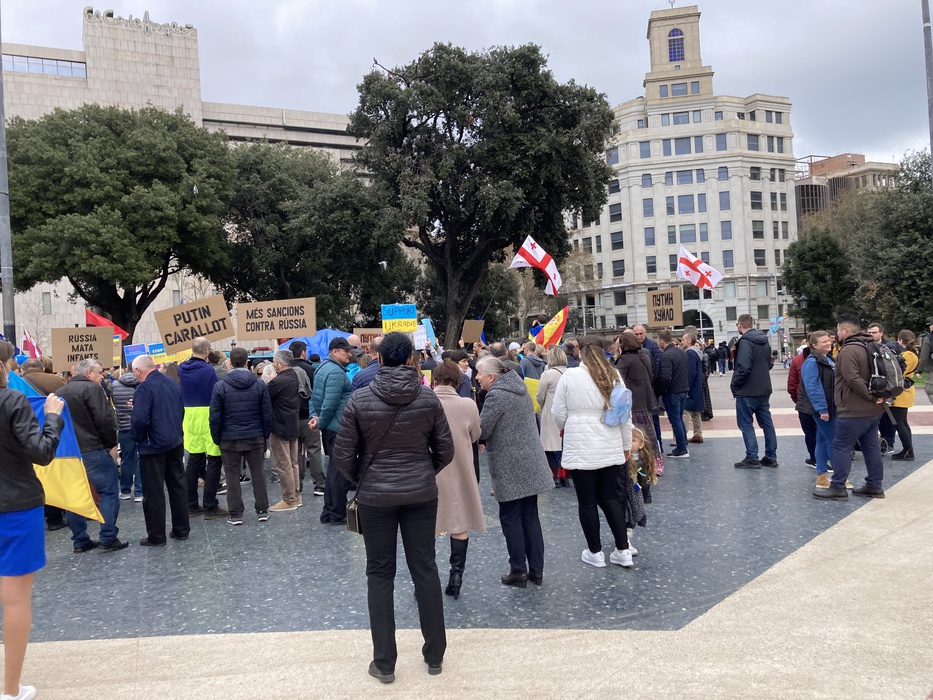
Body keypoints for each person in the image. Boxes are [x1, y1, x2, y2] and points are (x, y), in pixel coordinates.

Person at [332, 332, 454, 684]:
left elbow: (342, 455)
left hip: (376, 497)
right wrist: (422, 472)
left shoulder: (359, 398)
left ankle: (384, 662)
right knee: (425, 569)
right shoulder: (428, 398)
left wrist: (364, 478)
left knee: (379, 573)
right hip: (420, 494)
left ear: (379, 358)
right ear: (412, 360)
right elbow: (445, 451)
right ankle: (435, 655)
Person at [0, 340, 64, 700]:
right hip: (16, 507)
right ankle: (10, 690)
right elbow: (41, 452)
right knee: (14, 600)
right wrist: (52, 417)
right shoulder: (12, 401)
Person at [552, 335, 635, 568]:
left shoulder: (570, 376)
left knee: (587, 501)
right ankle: (623, 549)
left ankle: (595, 552)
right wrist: (626, 444)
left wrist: (569, 425)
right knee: (610, 498)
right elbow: (625, 415)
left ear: (580, 351)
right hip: (610, 441)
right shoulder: (614, 375)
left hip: (580, 444)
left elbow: (558, 413)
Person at [476, 357, 554, 587]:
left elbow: (483, 429)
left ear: (491, 377)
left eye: (480, 374)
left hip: (510, 465)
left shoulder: (496, 395)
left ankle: (518, 570)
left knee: (510, 518)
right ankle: (537, 570)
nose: (477, 377)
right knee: (530, 516)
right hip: (531, 462)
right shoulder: (519, 389)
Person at [57, 358, 128, 552]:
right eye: (99, 372)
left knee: (74, 497)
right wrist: (111, 442)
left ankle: (80, 540)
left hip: (70, 453)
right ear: (89, 373)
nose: (102, 376)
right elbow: (104, 418)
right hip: (94, 449)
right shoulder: (93, 389)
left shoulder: (59, 392)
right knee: (108, 492)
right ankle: (108, 536)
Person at [813, 315, 886, 501]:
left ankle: (838, 486)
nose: (836, 334)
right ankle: (874, 485)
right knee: (871, 446)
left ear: (845, 330)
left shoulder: (848, 350)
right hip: (873, 409)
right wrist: (876, 397)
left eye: (838, 330)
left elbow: (852, 378)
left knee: (841, 445)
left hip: (854, 408)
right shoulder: (871, 346)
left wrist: (869, 395)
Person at [431, 359, 483, 600]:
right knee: (459, 523)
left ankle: (425, 580)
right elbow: (475, 435)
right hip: (459, 469)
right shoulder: (467, 405)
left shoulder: (424, 401)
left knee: (425, 526)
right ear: (458, 381)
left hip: (429, 470)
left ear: (434, 380)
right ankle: (456, 575)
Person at [209, 347, 273, 525]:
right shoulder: (259, 384)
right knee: (258, 473)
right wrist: (264, 436)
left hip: (229, 437)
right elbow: (267, 414)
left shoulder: (220, 386)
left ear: (230, 363)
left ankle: (236, 513)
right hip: (255, 435)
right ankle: (262, 510)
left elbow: (215, 416)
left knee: (231, 475)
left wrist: (217, 437)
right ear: (247, 362)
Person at [131, 355, 189, 546]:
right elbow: (180, 410)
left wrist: (138, 438)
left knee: (154, 492)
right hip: (174, 440)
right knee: (178, 486)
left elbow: (140, 420)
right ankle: (182, 529)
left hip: (152, 445)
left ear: (138, 370)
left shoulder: (144, 388)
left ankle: (157, 535)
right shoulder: (172, 382)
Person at [178, 337, 226, 519]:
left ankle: (191, 505)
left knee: (194, 460)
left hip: (190, 416)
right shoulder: (208, 370)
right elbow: (215, 392)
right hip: (208, 414)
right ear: (206, 351)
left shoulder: (182, 368)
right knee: (214, 460)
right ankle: (210, 505)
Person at [310, 336, 354, 524]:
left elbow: (314, 398)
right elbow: (330, 403)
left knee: (334, 471)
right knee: (340, 472)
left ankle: (329, 511)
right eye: (346, 351)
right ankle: (337, 513)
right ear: (334, 352)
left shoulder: (321, 368)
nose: (349, 355)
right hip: (338, 427)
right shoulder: (336, 372)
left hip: (330, 426)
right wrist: (320, 422)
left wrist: (315, 418)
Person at [731, 314, 778, 469]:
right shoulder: (764, 340)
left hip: (747, 390)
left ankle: (752, 456)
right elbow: (769, 364)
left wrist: (735, 384)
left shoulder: (745, 342)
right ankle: (771, 456)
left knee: (746, 424)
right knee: (767, 423)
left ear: (740, 324)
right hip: (764, 388)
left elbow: (743, 367)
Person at [266, 350, 305, 512]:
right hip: (293, 423)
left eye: (274, 362)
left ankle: (289, 500)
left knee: (283, 464)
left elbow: (265, 397)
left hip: (279, 426)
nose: (273, 364)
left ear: (281, 364)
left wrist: (270, 381)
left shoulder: (277, 382)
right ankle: (296, 496)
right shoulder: (295, 376)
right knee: (293, 463)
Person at [798, 332, 837, 490]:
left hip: (829, 406)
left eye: (828, 340)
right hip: (823, 408)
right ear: (814, 345)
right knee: (833, 441)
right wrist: (822, 409)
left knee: (821, 440)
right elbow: (813, 387)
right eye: (824, 342)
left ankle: (822, 476)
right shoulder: (812, 362)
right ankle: (839, 478)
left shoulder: (828, 359)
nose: (828, 343)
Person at [291, 340, 325, 498]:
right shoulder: (312, 370)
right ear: (303, 353)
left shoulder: (286, 370)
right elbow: (317, 393)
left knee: (295, 453)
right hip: (309, 416)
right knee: (314, 450)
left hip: (291, 417)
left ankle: (297, 484)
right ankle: (320, 484)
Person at [536, 345, 569, 486]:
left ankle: (555, 475)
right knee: (564, 445)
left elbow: (540, 395)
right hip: (566, 412)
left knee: (548, 446)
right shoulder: (570, 372)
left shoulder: (547, 374)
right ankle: (564, 476)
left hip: (550, 413)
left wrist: (542, 406)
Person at [655, 330, 689, 458]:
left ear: (661, 340)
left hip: (672, 392)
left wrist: (660, 391)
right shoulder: (681, 352)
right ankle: (683, 445)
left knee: (675, 420)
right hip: (683, 389)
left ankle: (681, 448)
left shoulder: (666, 355)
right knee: (679, 419)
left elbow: (665, 377)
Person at [867, 322, 900, 453]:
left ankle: (889, 442)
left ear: (881, 333)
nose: (871, 335)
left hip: (886, 386)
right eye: (869, 333)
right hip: (873, 385)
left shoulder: (889, 347)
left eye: (874, 332)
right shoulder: (866, 347)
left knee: (887, 417)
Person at [112, 367, 142, 502]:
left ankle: (125, 490)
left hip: (124, 427)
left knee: (126, 460)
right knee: (141, 459)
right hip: (140, 426)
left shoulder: (115, 385)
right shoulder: (142, 384)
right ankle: (140, 492)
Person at [890, 330, 918, 461]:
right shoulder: (912, 353)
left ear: (900, 340)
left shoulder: (907, 355)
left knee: (899, 422)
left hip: (902, 391)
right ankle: (907, 449)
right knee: (903, 422)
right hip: (905, 390)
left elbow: (898, 370)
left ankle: (908, 450)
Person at [787, 345, 817, 467]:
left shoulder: (797, 360)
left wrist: (796, 398)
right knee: (822, 431)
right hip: (821, 401)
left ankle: (814, 458)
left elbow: (792, 383)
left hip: (804, 401)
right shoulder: (827, 358)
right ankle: (824, 457)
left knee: (809, 431)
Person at [681, 333, 705, 444]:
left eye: (683, 340)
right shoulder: (697, 353)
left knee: (685, 410)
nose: (681, 342)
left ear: (689, 341)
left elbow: (690, 372)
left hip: (691, 386)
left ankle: (682, 436)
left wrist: (686, 387)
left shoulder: (690, 353)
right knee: (696, 411)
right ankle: (698, 434)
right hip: (697, 386)